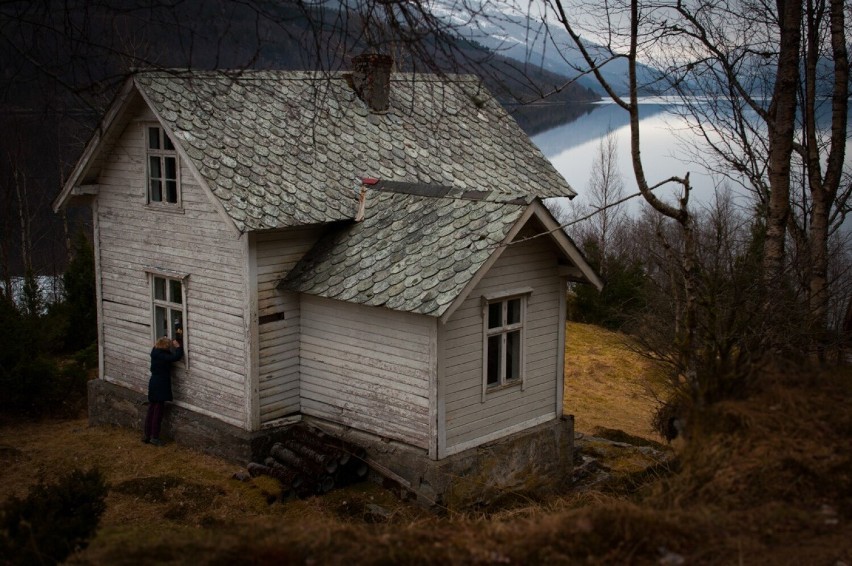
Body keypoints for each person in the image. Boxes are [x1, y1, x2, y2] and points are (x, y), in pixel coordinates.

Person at [143, 336, 183, 446]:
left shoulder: (155, 352)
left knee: (151, 409)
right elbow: (176, 357)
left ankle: (147, 435)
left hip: (153, 382)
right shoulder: (162, 355)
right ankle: (154, 437)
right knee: (158, 412)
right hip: (160, 383)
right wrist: (178, 347)